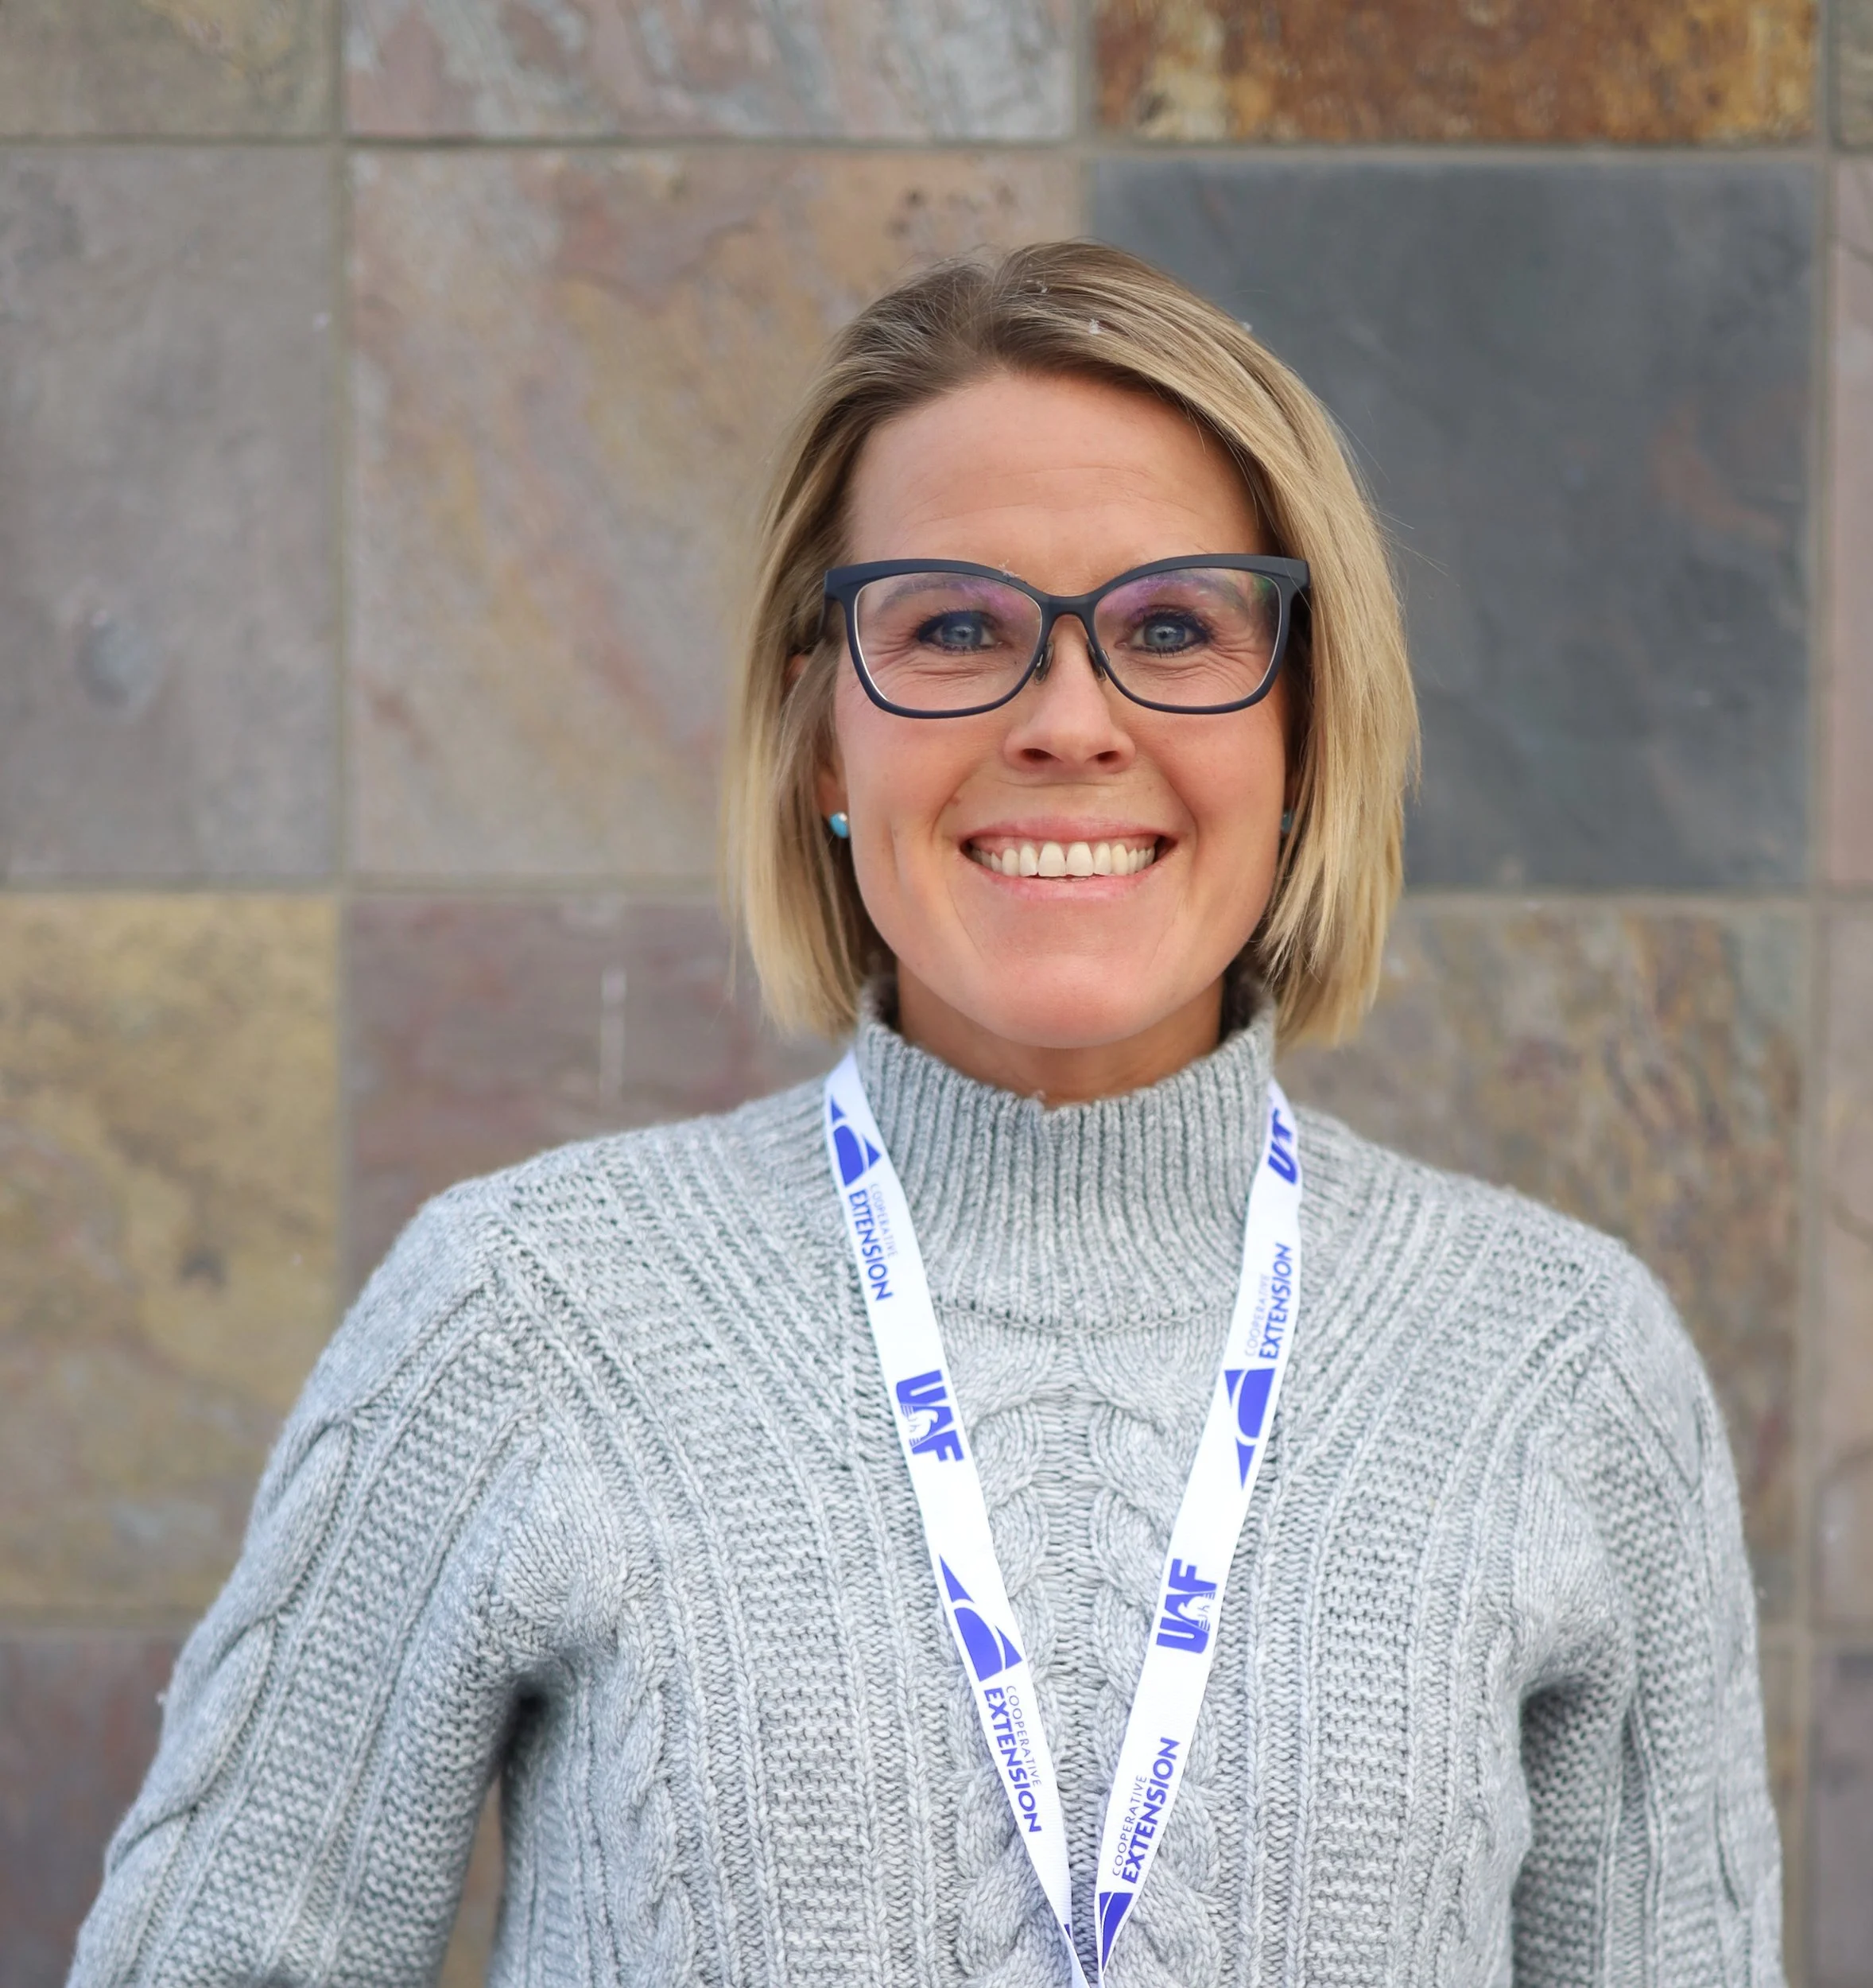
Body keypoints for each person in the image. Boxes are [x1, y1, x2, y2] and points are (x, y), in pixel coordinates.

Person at [71, 242, 1783, 1988]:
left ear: (1304, 725)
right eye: (955, 627)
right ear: (823, 738)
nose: (1064, 721)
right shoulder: (524, 1316)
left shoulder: (1560, 1366)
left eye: (1172, 628)